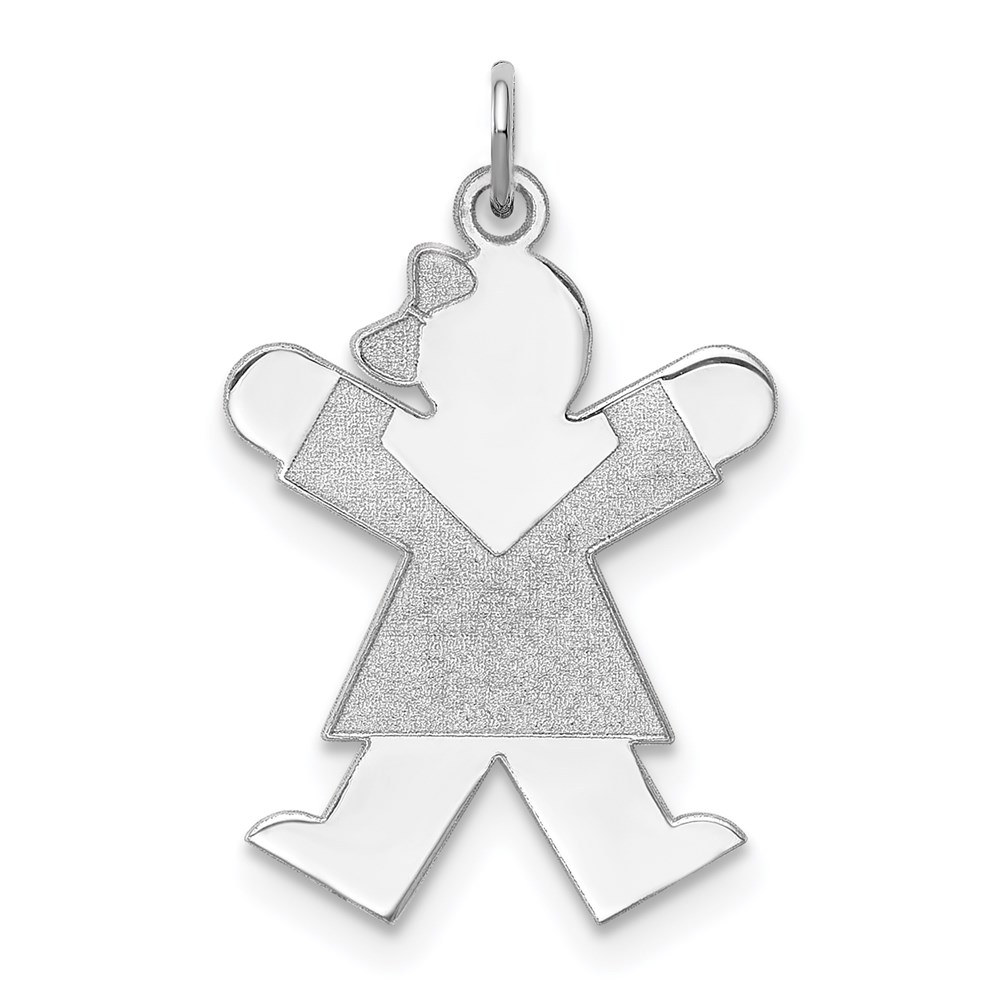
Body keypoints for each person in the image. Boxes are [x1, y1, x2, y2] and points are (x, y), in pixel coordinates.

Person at [226, 168, 775, 922]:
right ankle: (610, 852)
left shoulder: (415, 448)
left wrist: (288, 400)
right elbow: (702, 420)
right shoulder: (584, 451)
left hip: (448, 640)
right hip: (539, 641)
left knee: (463, 745)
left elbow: (307, 419)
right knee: (534, 745)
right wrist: (712, 410)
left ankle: (382, 847)